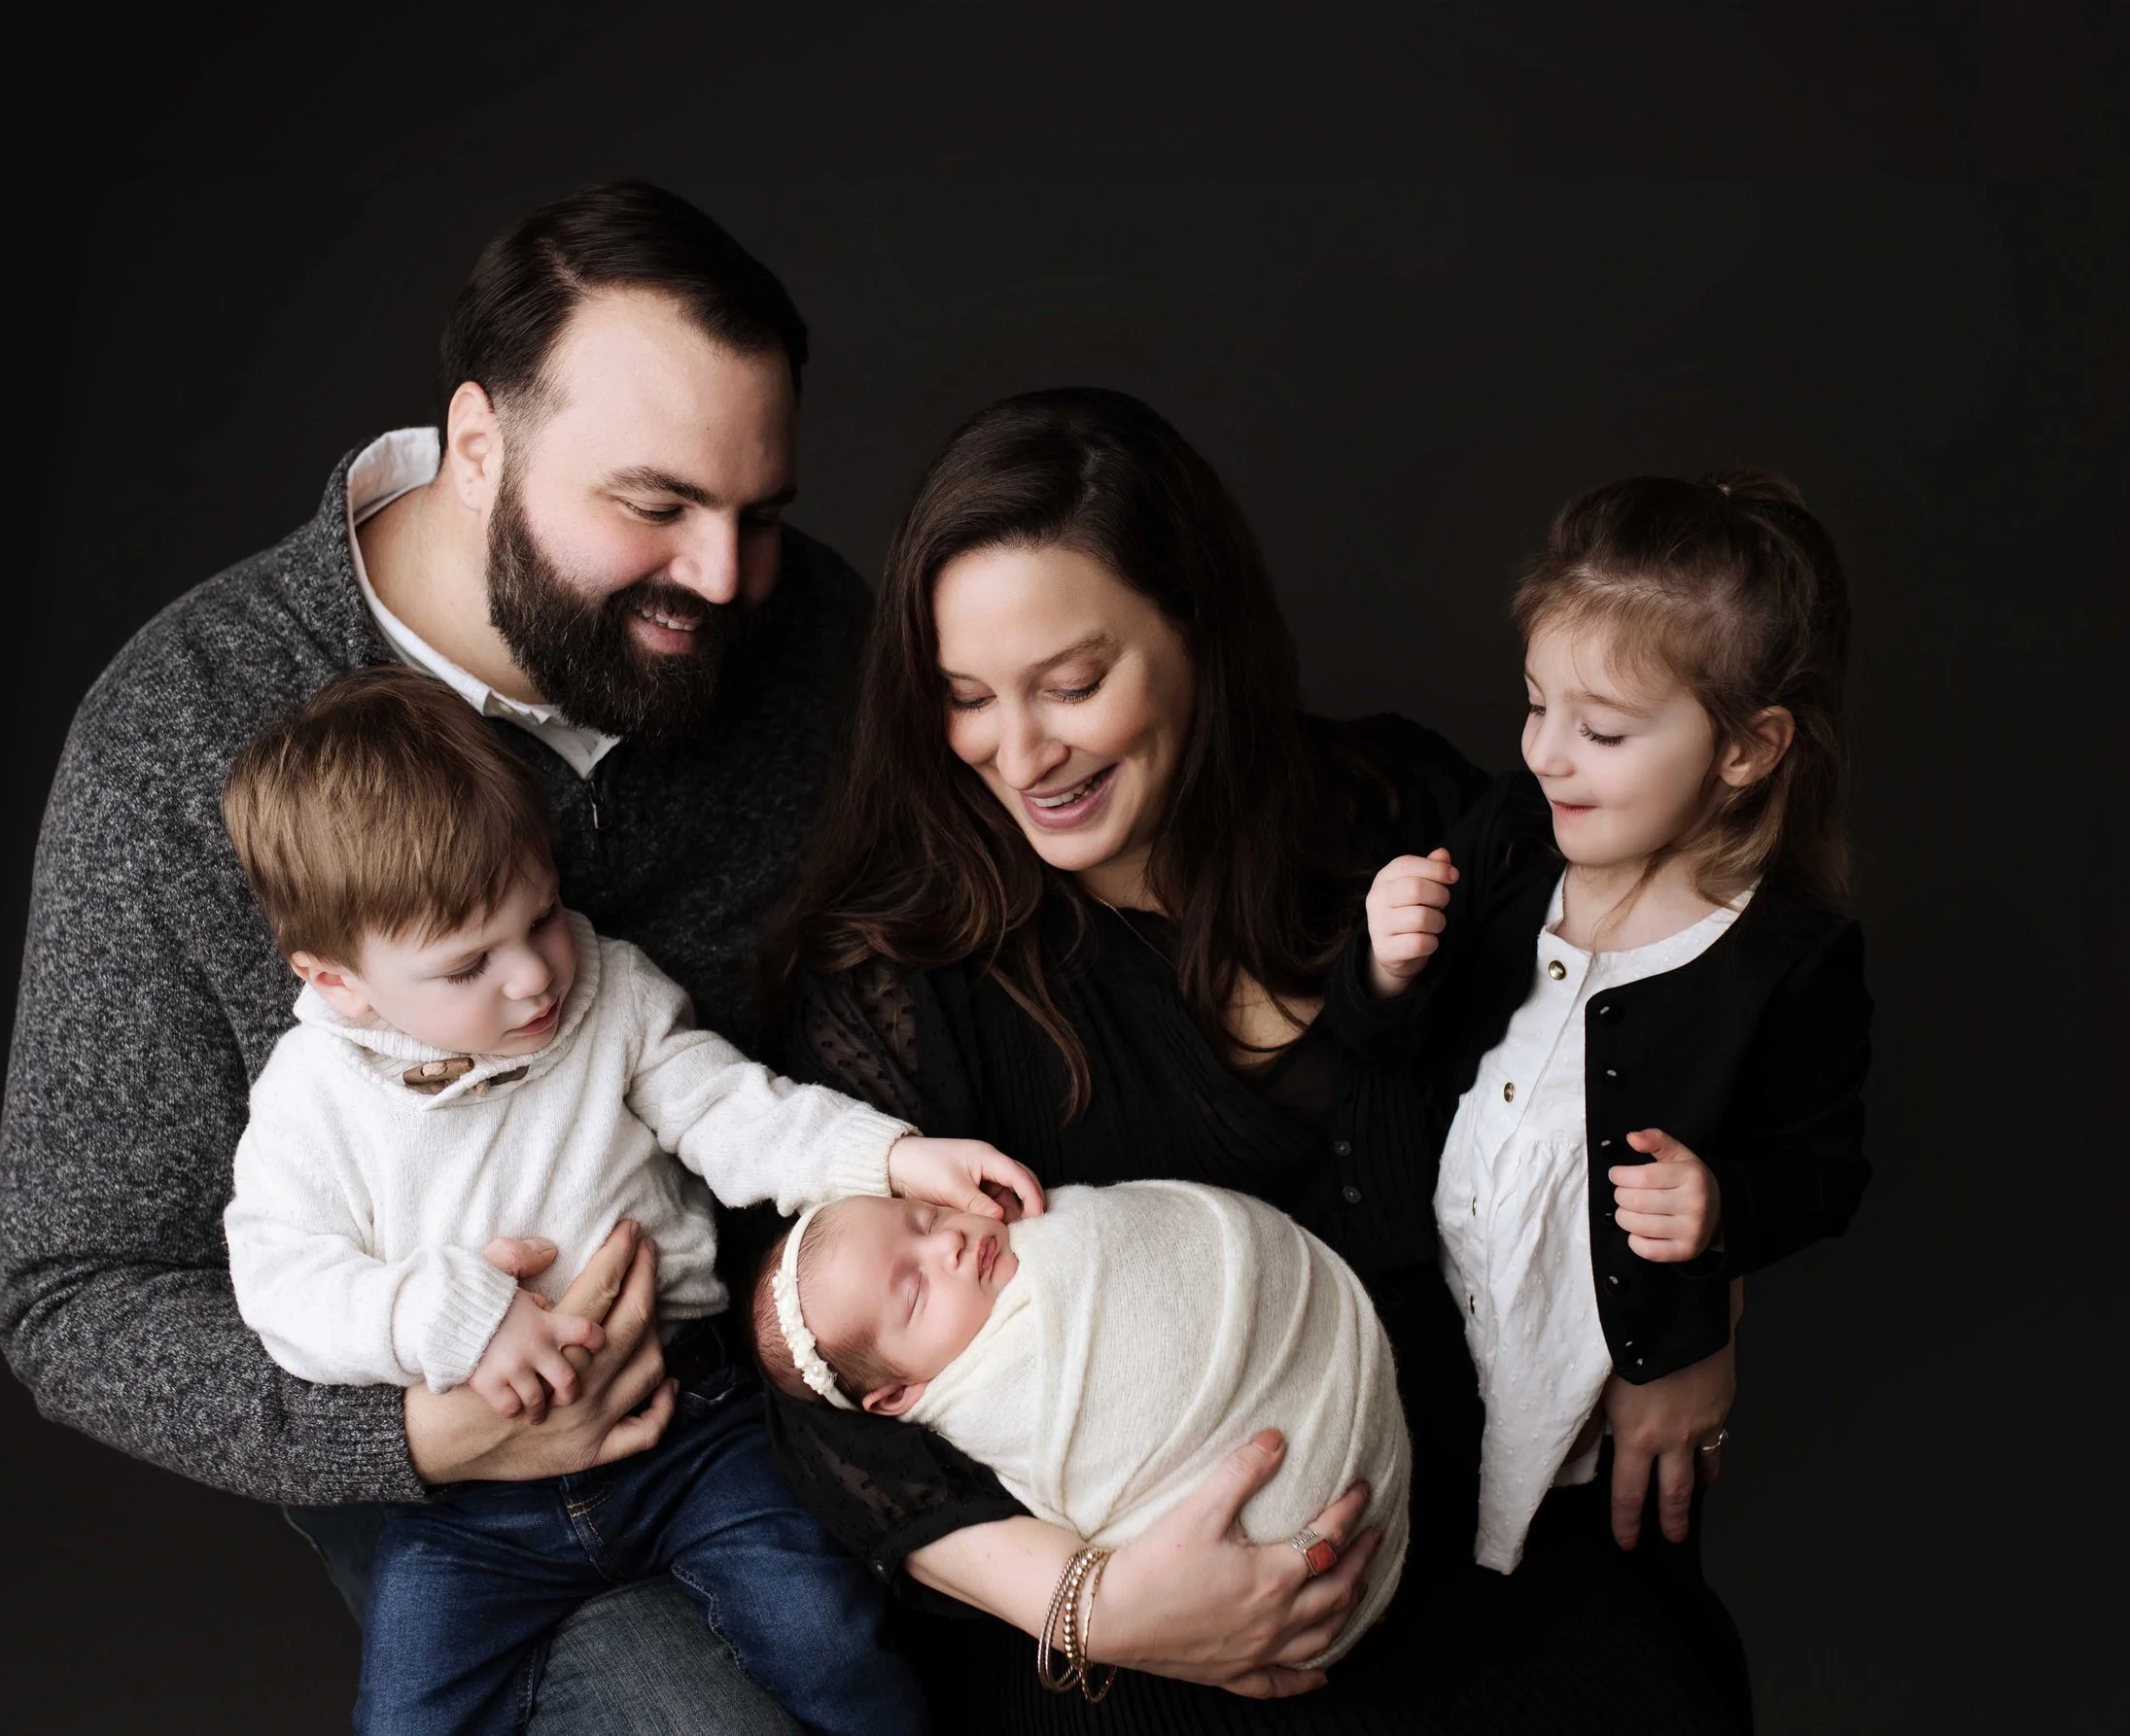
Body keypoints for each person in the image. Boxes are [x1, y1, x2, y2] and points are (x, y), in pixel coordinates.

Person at [0, 180, 873, 1730]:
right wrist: (417, 1430)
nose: (727, 579)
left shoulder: (804, 644)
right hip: (448, 1458)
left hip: (801, 1370)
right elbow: (78, 1290)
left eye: (761, 514)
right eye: (655, 504)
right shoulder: (185, 733)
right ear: (480, 444)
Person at [763, 385, 1742, 1731]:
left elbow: (1630, 1025)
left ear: (1197, 632)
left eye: (1073, 682)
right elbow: (820, 1381)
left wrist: (1687, 1309)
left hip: (1480, 1524)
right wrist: (1091, 1604)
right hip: (1151, 1605)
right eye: (966, 698)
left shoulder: (1393, 809)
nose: (1021, 751)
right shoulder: (901, 972)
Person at [219, 668, 1053, 1732]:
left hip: (692, 1433)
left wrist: (888, 1162)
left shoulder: (607, 989)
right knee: (405, 1716)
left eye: (540, 915)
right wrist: (440, 1313)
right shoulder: (310, 1098)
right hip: (476, 1505)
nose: (532, 978)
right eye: (470, 962)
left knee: (830, 1634)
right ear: (339, 981)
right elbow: (281, 1280)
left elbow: (732, 1108)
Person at [1363, 470, 1872, 1710]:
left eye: (1601, 730)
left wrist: (1721, 1213)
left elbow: (1823, 1168)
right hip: (1409, 1356)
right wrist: (1382, 964)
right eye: (1535, 705)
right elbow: (1391, 1065)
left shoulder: (1782, 959)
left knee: (1618, 1652)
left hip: (1593, 1424)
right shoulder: (1506, 835)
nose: (1545, 753)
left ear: (1747, 749)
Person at [751, 1179, 1411, 1674]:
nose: (947, 1242)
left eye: (923, 1218)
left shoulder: (1042, 1230)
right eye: (915, 1291)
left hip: (1323, 1364)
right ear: (897, 1396)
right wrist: (1099, 1613)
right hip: (1212, 1582)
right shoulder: (982, 1396)